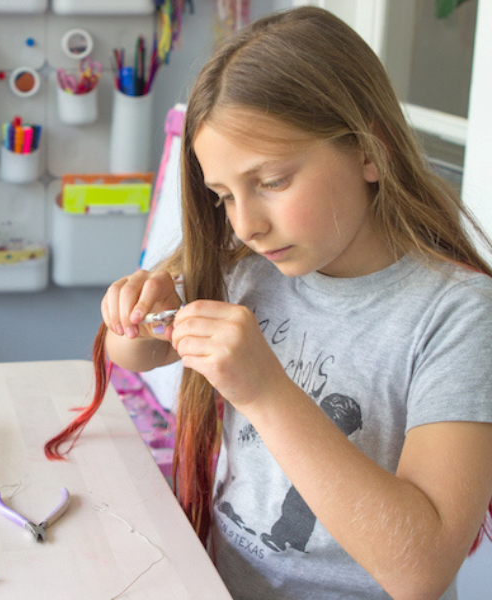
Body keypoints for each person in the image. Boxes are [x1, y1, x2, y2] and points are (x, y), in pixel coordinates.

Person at [44, 6, 492, 600]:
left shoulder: (459, 315)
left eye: (273, 181)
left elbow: (421, 570)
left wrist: (265, 392)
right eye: (224, 195)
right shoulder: (252, 271)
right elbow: (135, 354)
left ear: (368, 151)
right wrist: (134, 308)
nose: (247, 223)